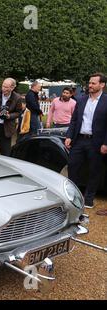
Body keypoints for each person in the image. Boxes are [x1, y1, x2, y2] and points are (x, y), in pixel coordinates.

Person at [65, 73, 107, 209]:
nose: (90, 85)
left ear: (102, 85)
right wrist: (69, 136)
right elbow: (74, 120)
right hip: (79, 140)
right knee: (72, 166)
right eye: (89, 83)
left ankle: (89, 199)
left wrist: (106, 143)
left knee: (95, 171)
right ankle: (73, 196)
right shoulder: (81, 99)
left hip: (96, 142)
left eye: (93, 83)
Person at [0, 78, 23, 156]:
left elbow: (19, 112)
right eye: (3, 86)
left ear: (12, 88)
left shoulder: (17, 98)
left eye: (6, 87)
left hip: (6, 129)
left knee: (5, 153)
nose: (3, 89)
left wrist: (9, 116)